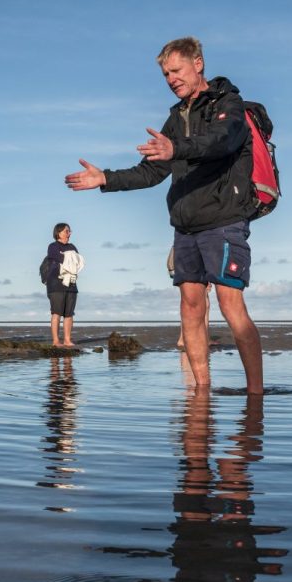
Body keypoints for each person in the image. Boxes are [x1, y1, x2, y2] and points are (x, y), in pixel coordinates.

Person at [65, 36, 263, 393]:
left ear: (198, 64)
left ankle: (256, 395)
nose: (171, 79)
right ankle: (201, 392)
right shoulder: (176, 117)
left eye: (176, 70)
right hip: (185, 227)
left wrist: (177, 148)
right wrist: (105, 178)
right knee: (190, 306)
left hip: (223, 219)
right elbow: (151, 172)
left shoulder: (228, 103)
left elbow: (222, 141)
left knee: (230, 303)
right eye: (166, 75)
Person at [45, 223, 83, 347]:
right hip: (56, 285)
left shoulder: (72, 246)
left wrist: (69, 257)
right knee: (56, 313)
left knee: (69, 314)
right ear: (59, 233)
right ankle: (56, 341)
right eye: (67, 231)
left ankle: (67, 340)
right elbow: (62, 259)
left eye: (69, 231)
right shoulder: (53, 246)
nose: (69, 233)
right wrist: (70, 257)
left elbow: (77, 262)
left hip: (71, 284)